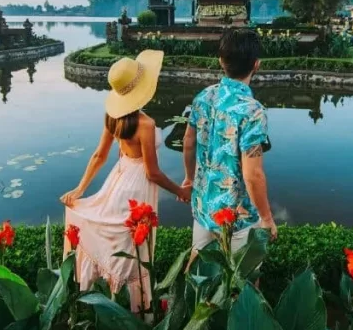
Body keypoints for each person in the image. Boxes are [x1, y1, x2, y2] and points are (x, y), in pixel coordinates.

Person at [61, 50, 190, 312]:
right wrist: (180, 190)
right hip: (138, 186)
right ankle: (136, 308)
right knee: (134, 243)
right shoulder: (146, 124)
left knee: (119, 235)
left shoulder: (113, 117)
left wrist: (81, 188)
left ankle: (111, 295)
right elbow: (152, 172)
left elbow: (99, 155)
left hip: (117, 180)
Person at [182, 29, 277, 254]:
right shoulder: (253, 111)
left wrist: (188, 178)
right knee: (245, 281)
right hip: (238, 216)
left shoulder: (203, 97)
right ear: (256, 65)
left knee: (199, 276)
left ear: (221, 61)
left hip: (204, 206)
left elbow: (188, 142)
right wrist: (267, 218)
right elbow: (252, 174)